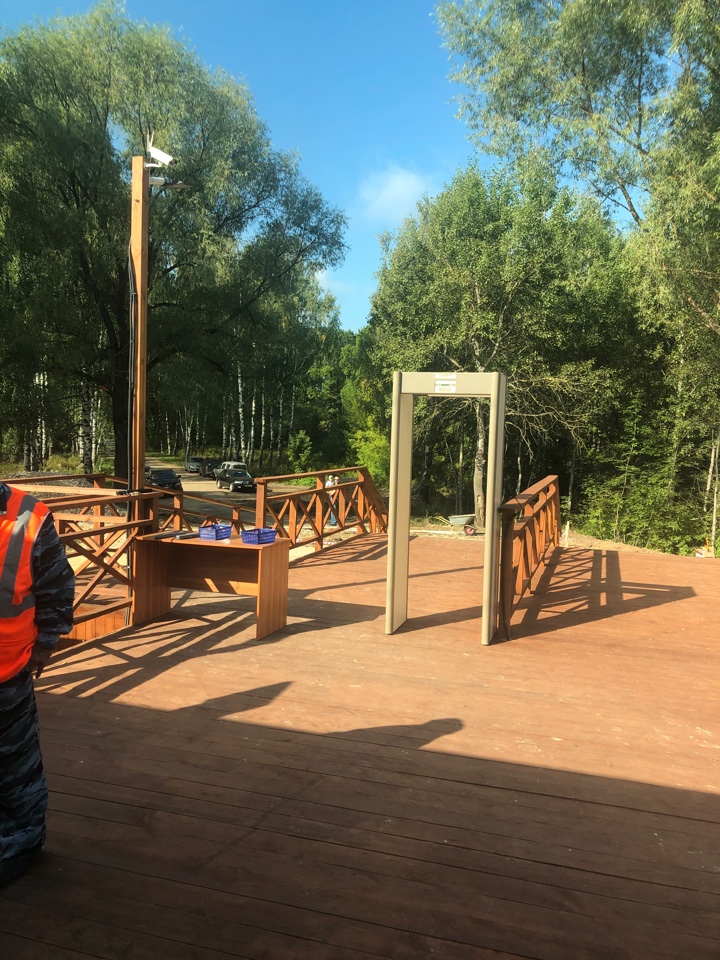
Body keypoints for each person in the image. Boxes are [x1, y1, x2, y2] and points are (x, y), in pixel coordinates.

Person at [0, 480, 74, 887]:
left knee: (16, 770)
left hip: (7, 675)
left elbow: (56, 589)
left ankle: (19, 847)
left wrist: (44, 647)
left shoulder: (29, 516)